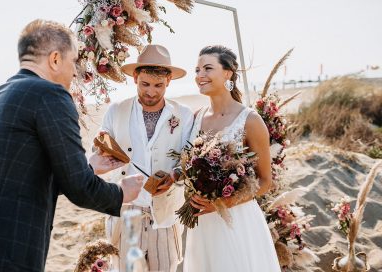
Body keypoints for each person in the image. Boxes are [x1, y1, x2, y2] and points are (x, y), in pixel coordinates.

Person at [0, 19, 143, 272]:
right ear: (54, 59)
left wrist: (89, 168)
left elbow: (16, 178)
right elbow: (80, 189)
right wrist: (121, 194)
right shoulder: (51, 95)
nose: (75, 73)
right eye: (73, 61)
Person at [90, 44, 194, 272]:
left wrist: (174, 175)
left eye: (158, 85)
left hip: (166, 214)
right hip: (127, 211)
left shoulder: (183, 115)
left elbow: (189, 158)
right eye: (145, 84)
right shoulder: (116, 110)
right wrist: (103, 148)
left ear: (168, 81)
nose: (151, 92)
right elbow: (97, 149)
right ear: (135, 77)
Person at [183, 45, 280, 272]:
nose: (200, 76)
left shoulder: (250, 120)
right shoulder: (196, 117)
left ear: (228, 73)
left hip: (236, 220)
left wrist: (222, 203)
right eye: (197, 70)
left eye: (208, 68)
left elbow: (266, 181)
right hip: (202, 223)